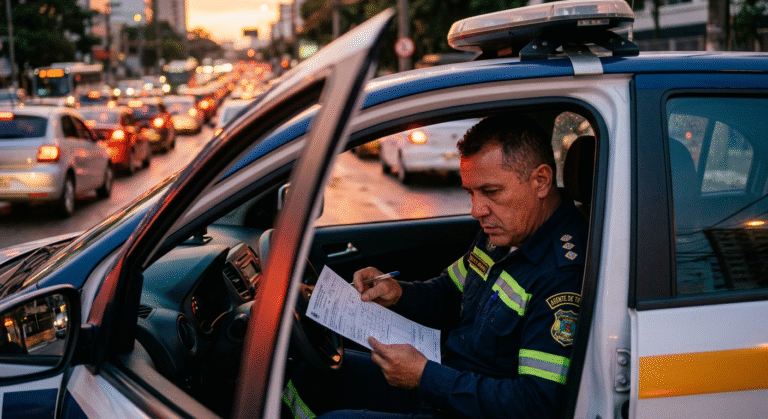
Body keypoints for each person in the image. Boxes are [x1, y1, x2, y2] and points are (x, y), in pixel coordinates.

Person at [283, 113, 588, 419]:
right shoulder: (501, 233)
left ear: (541, 181)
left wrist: (426, 377)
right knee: (315, 376)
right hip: (445, 385)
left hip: (466, 407)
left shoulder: (562, 273)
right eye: (470, 193)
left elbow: (536, 404)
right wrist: (398, 293)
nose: (476, 210)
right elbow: (448, 292)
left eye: (491, 192)